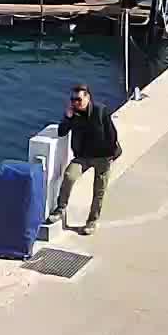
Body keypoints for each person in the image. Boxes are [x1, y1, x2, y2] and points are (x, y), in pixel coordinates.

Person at [49, 83, 121, 235]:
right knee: (69, 175)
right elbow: (62, 132)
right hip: (83, 156)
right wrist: (67, 118)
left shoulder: (100, 111)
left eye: (78, 99)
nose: (76, 103)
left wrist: (110, 155)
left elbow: (112, 134)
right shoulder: (73, 114)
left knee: (99, 190)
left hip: (102, 156)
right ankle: (61, 207)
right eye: (73, 99)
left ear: (88, 97)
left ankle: (92, 221)